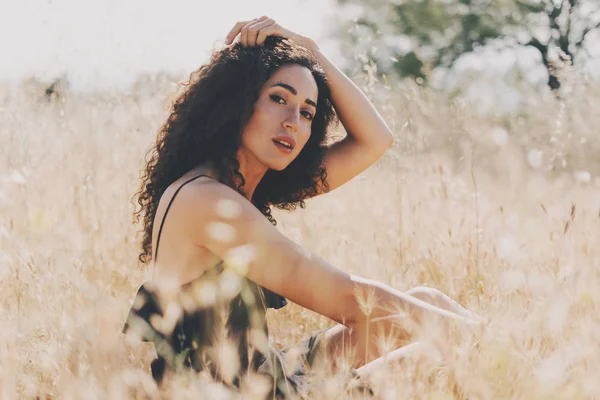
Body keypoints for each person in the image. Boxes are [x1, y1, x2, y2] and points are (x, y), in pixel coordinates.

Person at [122, 16, 483, 399]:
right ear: (237, 104)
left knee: (427, 301)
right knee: (444, 349)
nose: (293, 122)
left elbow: (374, 141)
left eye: (307, 112)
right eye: (278, 99)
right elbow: (345, 297)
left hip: (270, 374)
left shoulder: (243, 187)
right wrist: (479, 335)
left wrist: (313, 54)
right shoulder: (206, 199)